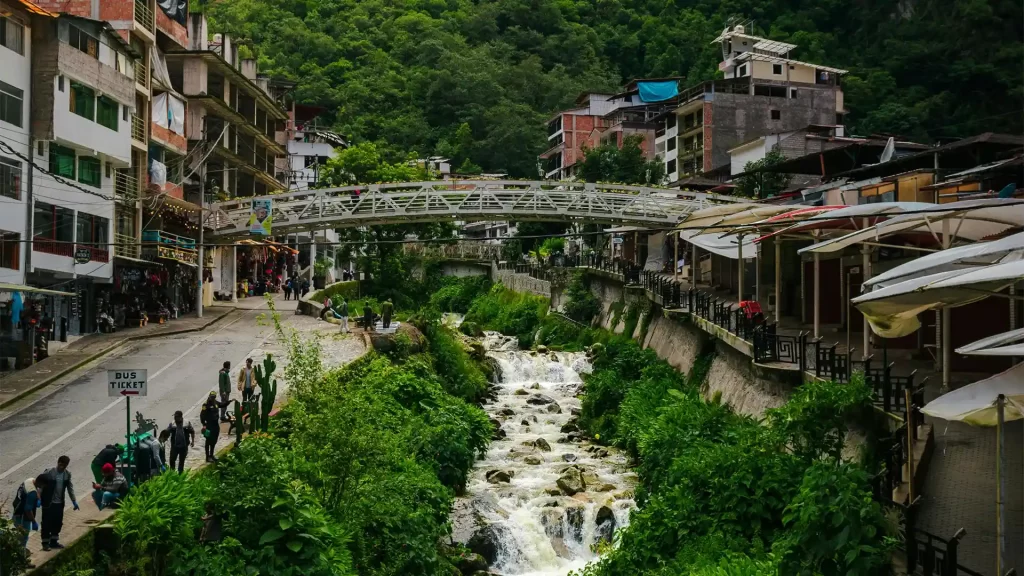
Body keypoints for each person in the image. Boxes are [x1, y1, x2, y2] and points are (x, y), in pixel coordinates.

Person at [39, 455, 78, 551]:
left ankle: (54, 541)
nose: (62, 467)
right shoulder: (49, 472)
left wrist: (74, 501)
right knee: (46, 523)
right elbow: (40, 486)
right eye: (61, 464)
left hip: (59, 503)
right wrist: (38, 498)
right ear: (58, 462)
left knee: (57, 522)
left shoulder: (67, 475)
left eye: (64, 465)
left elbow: (70, 488)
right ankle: (45, 543)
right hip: (48, 503)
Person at [12, 475, 46, 550]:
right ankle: (21, 557)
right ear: (40, 484)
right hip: (22, 517)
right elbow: (28, 510)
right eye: (44, 486)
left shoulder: (30, 480)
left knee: (19, 535)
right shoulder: (32, 493)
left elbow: (35, 490)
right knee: (23, 539)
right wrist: (34, 522)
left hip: (17, 511)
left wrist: (38, 497)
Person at [199, 392, 228, 463]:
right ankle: (207, 457)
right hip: (209, 425)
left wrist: (229, 401)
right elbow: (202, 415)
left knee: (214, 440)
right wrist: (204, 424)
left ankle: (211, 455)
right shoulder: (206, 405)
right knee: (208, 441)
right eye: (211, 397)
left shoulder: (215, 402)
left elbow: (222, 404)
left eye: (214, 397)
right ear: (209, 397)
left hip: (215, 424)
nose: (212, 398)